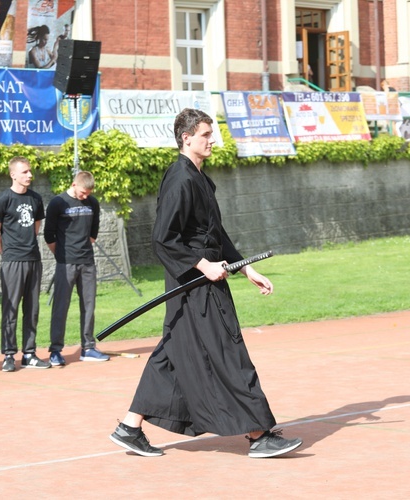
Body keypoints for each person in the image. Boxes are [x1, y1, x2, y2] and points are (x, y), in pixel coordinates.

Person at [109, 108, 302, 458]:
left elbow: (216, 234)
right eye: (206, 135)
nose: (212, 140)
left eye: (211, 134)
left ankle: (129, 427)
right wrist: (202, 265)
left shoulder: (199, 177)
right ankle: (259, 434)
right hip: (195, 283)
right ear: (187, 138)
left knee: (174, 353)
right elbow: (163, 239)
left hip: (205, 277)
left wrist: (246, 269)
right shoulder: (180, 179)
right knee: (228, 352)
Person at [0, 156, 50, 371]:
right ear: (13, 174)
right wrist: (5, 252)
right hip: (12, 261)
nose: (29, 175)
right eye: (24, 172)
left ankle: (29, 353)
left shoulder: (35, 198)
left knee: (32, 309)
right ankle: (8, 355)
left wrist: (27, 244)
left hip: (33, 259)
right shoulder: (3, 199)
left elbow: (37, 224)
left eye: (30, 171)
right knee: (11, 308)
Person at [44, 171, 109, 365]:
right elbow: (49, 236)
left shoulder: (93, 203)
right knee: (60, 306)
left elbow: (93, 231)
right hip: (66, 263)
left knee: (89, 305)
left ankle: (88, 347)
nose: (85, 197)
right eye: (82, 192)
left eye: (88, 193)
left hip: (87, 262)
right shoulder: (58, 203)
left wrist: (83, 249)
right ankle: (55, 350)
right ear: (74, 185)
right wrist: (63, 255)